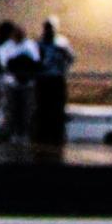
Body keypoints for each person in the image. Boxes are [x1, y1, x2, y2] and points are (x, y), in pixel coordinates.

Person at [0, 24, 40, 145]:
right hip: (11, 84)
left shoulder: (30, 45)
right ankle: (13, 134)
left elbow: (35, 62)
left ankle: (24, 134)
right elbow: (5, 65)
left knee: (26, 110)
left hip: (27, 84)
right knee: (12, 109)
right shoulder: (5, 47)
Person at [33, 16, 76, 145]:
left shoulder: (62, 42)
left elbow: (71, 58)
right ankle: (43, 135)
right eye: (47, 28)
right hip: (43, 79)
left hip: (57, 78)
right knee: (42, 106)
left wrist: (64, 68)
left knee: (57, 107)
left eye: (51, 28)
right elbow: (34, 60)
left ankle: (57, 135)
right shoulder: (38, 43)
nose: (48, 31)